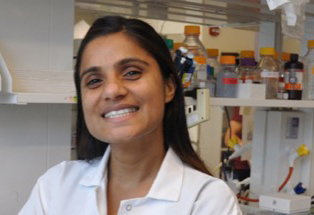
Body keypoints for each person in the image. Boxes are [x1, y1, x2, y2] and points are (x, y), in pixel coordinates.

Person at [18, 16, 241, 215]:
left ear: (168, 87)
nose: (112, 90)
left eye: (132, 72)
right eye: (94, 81)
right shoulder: (56, 186)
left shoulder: (206, 200)